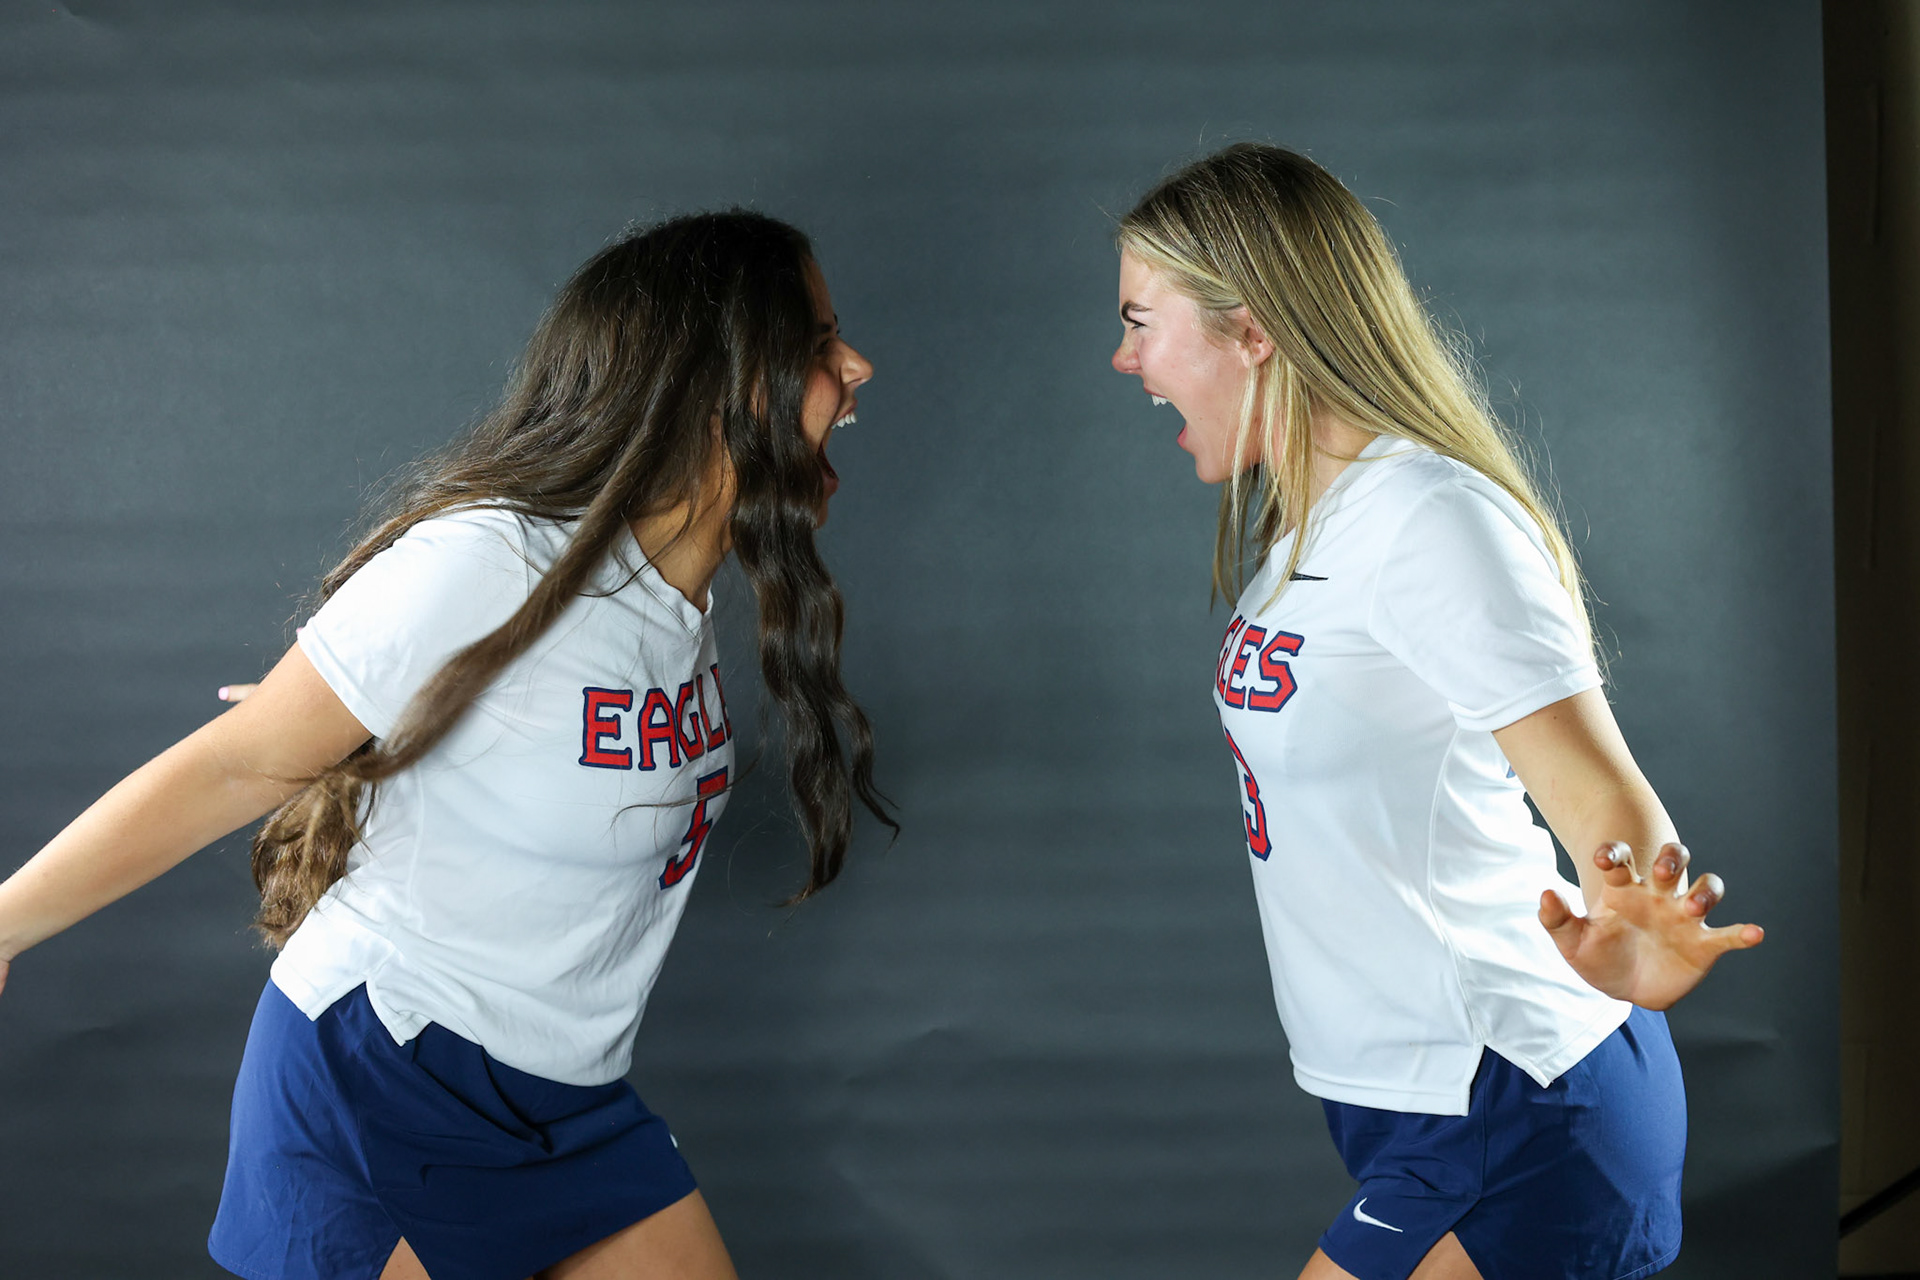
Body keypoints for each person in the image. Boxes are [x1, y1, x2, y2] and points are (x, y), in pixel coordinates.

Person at [0, 210, 891, 1280]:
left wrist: (391, 724)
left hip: (566, 1092)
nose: (856, 367)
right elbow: (239, 761)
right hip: (389, 1073)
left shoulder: (674, 614)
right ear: (718, 386)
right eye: (817, 344)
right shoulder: (491, 564)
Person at [1109, 144, 1765, 1280]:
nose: (1125, 358)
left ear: (1252, 328)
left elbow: (1601, 792)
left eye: (1140, 319)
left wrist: (1635, 923)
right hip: (1418, 1101)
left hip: (1519, 1099)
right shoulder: (1304, 528)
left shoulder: (1427, 520)